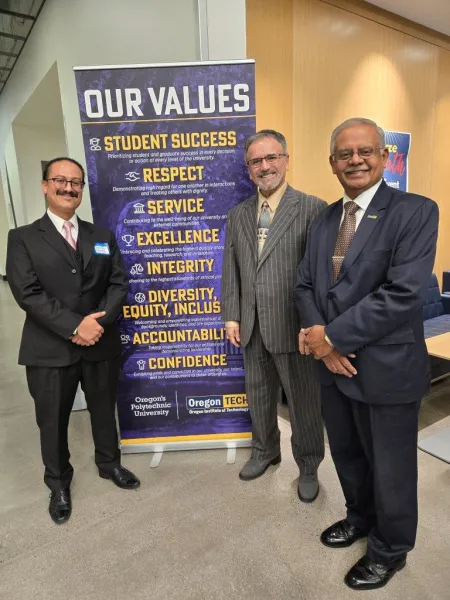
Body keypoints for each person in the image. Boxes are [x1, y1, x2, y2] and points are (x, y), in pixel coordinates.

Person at [295, 118, 439, 590]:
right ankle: (359, 517)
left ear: (384, 157)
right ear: (332, 163)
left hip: (385, 367)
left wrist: (332, 338)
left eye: (365, 151)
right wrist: (322, 341)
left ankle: (390, 549)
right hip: (332, 367)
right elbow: (305, 285)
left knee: (391, 468)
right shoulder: (324, 220)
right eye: (344, 154)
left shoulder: (415, 211)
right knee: (348, 455)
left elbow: (402, 293)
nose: (355, 160)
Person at [6, 157, 140, 525]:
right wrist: (75, 326)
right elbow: (27, 292)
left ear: (82, 188)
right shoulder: (22, 238)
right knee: (52, 421)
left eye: (75, 182)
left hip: (100, 342)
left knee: (104, 410)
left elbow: (118, 283)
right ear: (45, 185)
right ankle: (58, 484)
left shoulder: (102, 237)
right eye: (60, 180)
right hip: (49, 349)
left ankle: (109, 464)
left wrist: (98, 322)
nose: (68, 187)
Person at [222, 129, 326, 502]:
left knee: (303, 402)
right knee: (259, 395)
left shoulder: (313, 208)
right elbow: (231, 268)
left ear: (285, 159)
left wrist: (314, 324)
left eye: (271, 158)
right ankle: (265, 451)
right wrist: (231, 316)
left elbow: (321, 274)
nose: (264, 166)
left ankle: (309, 465)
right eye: (256, 161)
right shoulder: (238, 214)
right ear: (248, 168)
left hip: (294, 327)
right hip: (251, 326)